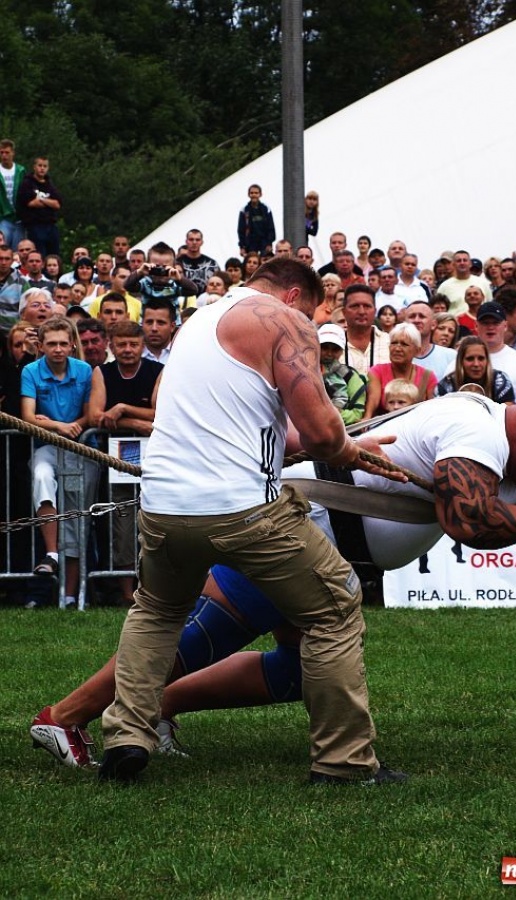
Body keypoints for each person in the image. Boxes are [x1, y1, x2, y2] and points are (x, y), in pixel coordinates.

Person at [31, 394, 516, 769]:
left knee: (297, 669)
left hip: (334, 547)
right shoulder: (475, 430)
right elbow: (473, 524)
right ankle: (65, 718)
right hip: (307, 526)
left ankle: (158, 708)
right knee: (203, 633)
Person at [98, 257, 408, 786]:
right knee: (335, 603)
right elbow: (319, 436)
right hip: (242, 507)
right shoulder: (284, 321)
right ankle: (344, 763)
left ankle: (126, 737)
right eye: (312, 311)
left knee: (156, 612)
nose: (311, 325)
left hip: (165, 506)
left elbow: (268, 427)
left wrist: (347, 442)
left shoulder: (199, 321)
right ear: (294, 296)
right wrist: (348, 449)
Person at [20, 317, 98, 604]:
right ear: (40, 346)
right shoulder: (30, 370)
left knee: (77, 515)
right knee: (41, 474)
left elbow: (90, 415)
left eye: (63, 343)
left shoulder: (84, 370)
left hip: (82, 447)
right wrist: (59, 427)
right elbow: (28, 417)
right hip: (49, 446)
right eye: (51, 343)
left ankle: (70, 595)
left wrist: (61, 425)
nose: (58, 349)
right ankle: (51, 553)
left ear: (72, 344)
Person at [89, 320, 163, 605]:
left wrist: (121, 411)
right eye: (122, 344)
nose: (128, 350)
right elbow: (97, 416)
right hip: (117, 459)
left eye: (133, 344)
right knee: (122, 526)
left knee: (153, 523)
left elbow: (159, 413)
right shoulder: (103, 372)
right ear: (111, 345)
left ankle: (152, 591)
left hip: (154, 458)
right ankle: (125, 594)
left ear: (142, 346)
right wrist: (135, 421)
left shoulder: (158, 371)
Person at [363, 322, 437, 418]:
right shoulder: (377, 371)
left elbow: (433, 409)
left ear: (417, 351)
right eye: (394, 343)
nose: (397, 348)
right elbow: (373, 400)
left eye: (404, 344)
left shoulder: (427, 376)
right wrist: (367, 417)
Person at [436, 335, 515, 403]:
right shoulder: (446, 384)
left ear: (487, 360)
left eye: (481, 358)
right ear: (461, 361)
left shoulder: (500, 381)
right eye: (470, 359)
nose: (476, 364)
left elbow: (507, 413)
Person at [317, 323, 366, 425]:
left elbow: (357, 414)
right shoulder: (304, 370)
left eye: (335, 349)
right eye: (325, 347)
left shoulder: (350, 376)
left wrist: (329, 415)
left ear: (342, 351)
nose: (329, 353)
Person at [17, 157, 63, 257]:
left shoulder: (49, 184)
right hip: (35, 225)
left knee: (54, 255)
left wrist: (41, 199)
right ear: (34, 167)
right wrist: (49, 202)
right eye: (40, 165)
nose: (42, 168)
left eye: (45, 166)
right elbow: (31, 203)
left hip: (51, 225)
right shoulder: (27, 183)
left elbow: (57, 204)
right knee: (39, 255)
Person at [341, 285, 391, 377]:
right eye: (355, 306)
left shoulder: (390, 342)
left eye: (367, 306)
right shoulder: (332, 345)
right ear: (344, 312)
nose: (361, 312)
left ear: (375, 311)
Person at [0, 139, 26, 250]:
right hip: (3, 216)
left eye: (7, 152)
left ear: (12, 153)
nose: (4, 155)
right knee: (3, 246)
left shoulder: (20, 170)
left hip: (20, 216)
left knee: (18, 249)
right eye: (2, 152)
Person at [237, 184, 275, 256]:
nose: (254, 195)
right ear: (248, 194)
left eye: (256, 193)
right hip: (250, 244)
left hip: (264, 244)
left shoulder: (266, 209)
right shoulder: (244, 210)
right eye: (252, 193)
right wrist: (242, 246)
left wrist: (269, 243)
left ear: (260, 194)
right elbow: (241, 230)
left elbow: (271, 227)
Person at [177, 229, 218, 294]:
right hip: (182, 299)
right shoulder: (177, 263)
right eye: (191, 239)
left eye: (197, 240)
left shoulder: (212, 264)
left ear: (202, 242)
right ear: (186, 241)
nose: (194, 242)